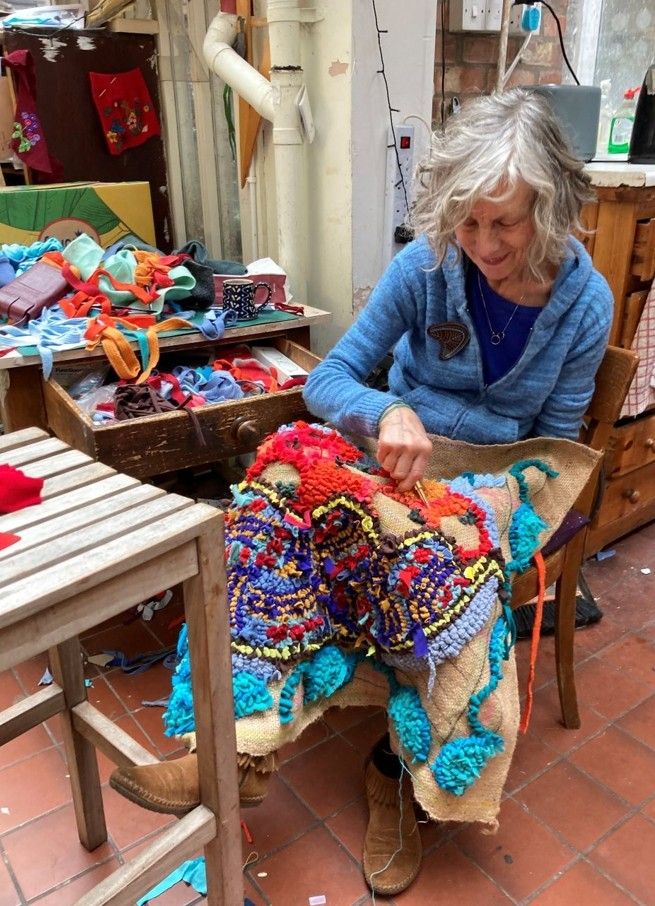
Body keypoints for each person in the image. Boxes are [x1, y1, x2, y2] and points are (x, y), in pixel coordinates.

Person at [109, 88, 613, 896]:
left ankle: (394, 773)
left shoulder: (584, 305)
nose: (481, 243)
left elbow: (549, 448)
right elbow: (331, 380)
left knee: (440, 571)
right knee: (278, 482)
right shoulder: (428, 263)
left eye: (505, 223)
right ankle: (239, 744)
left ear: (549, 211)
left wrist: (483, 490)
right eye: (468, 220)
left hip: (493, 483)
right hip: (399, 461)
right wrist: (391, 408)